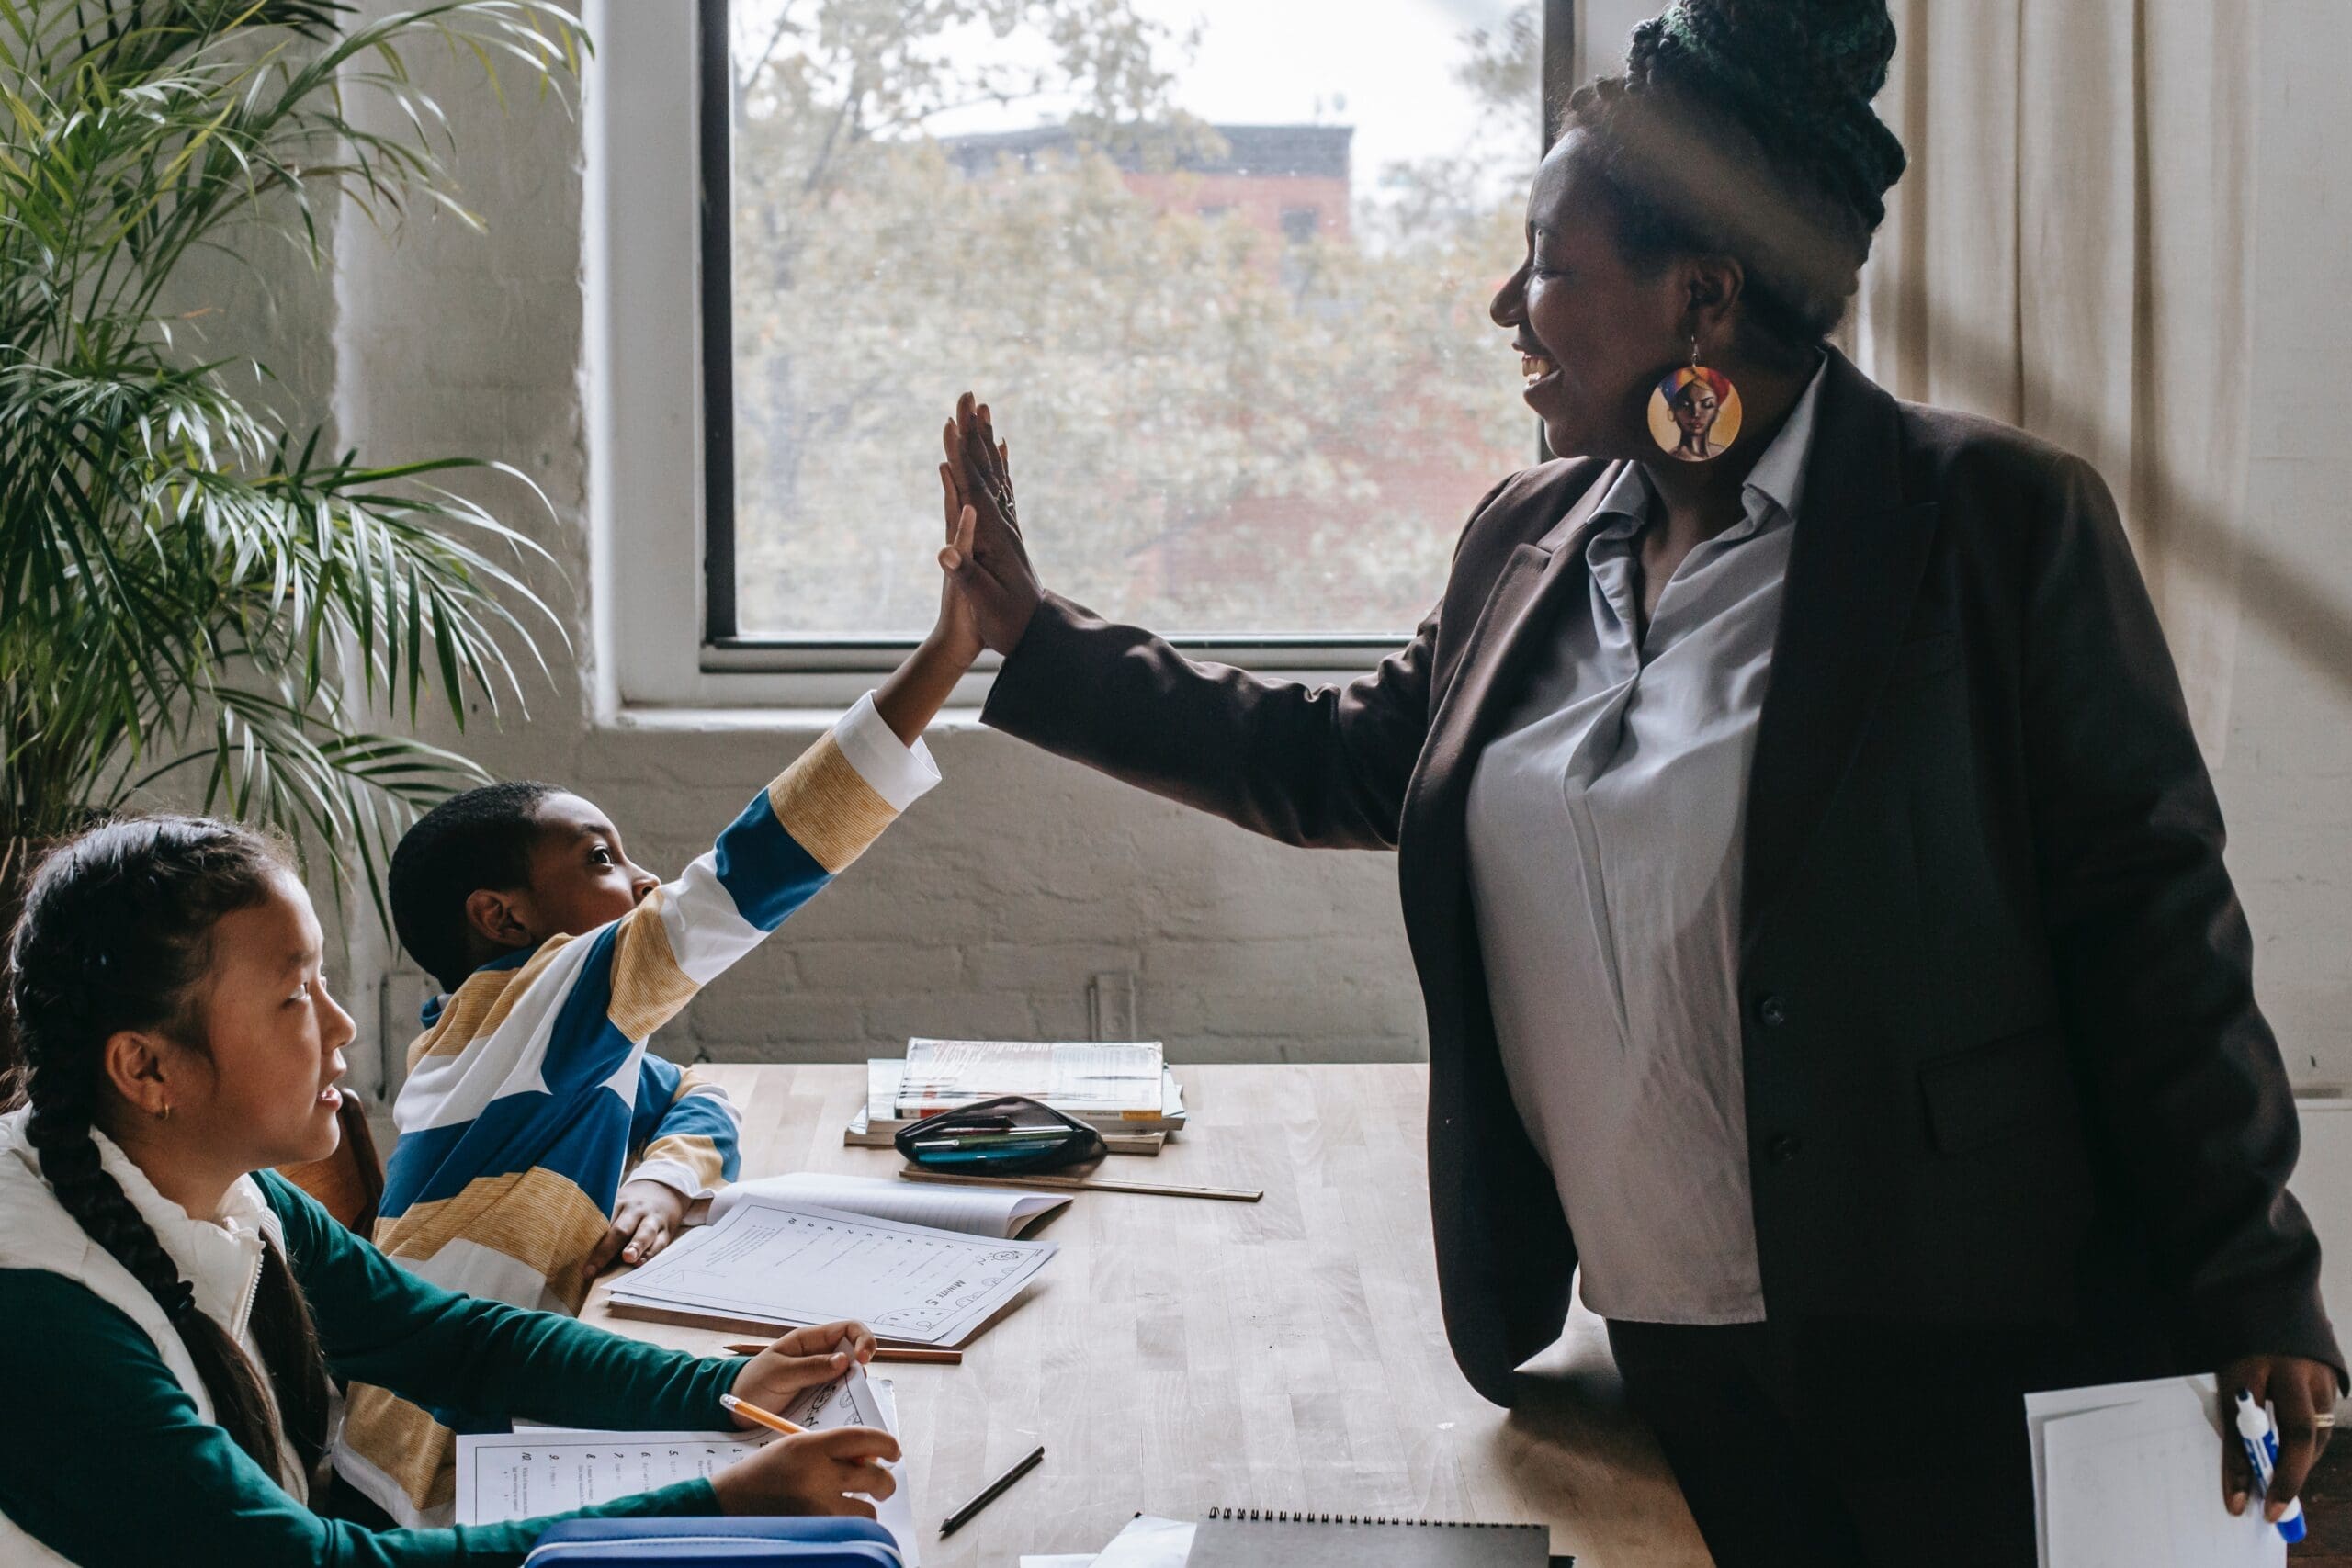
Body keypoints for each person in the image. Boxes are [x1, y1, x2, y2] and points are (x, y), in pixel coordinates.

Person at [931, 0, 2342, 1560]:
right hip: (1661, 1355)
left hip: (1964, 1357)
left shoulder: (1993, 529)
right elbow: (1340, 759)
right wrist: (1032, 638)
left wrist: (2256, 1276)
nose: (1503, 304)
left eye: (1546, 259)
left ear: (1704, 297)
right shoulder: (1526, 543)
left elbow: (2153, 928)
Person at [0, 815, 902, 1566]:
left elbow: (455, 1345)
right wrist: (709, 1506)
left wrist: (723, 1384)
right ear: (145, 1067)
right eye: (292, 997)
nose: (343, 1024)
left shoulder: (226, 1188)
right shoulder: (42, 1311)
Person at [338, 490, 983, 1524]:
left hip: (511, 1400)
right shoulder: (520, 1008)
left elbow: (696, 1094)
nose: (639, 882)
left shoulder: (540, 1037)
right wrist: (946, 655)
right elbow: (739, 882)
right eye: (601, 859)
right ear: (502, 917)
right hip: (431, 1463)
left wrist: (664, 1183)